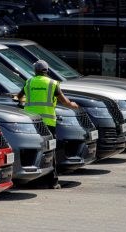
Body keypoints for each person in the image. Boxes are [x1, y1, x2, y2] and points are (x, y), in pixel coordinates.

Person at [17, 59, 79, 189]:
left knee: (34, 149)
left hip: (32, 122)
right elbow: (64, 101)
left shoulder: (29, 82)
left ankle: (32, 179)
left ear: (35, 71)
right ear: (47, 70)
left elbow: (19, 97)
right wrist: (73, 105)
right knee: (50, 151)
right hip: (48, 123)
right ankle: (52, 181)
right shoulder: (52, 83)